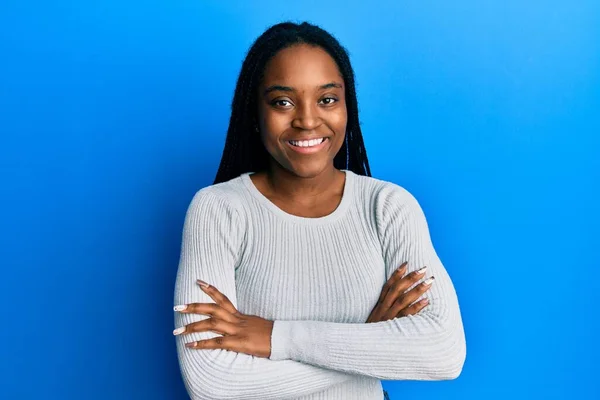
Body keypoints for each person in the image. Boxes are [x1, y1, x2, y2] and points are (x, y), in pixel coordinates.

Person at [172, 21, 466, 400]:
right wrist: (367, 340)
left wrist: (277, 336)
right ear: (255, 112)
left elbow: (443, 353)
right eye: (282, 101)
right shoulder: (219, 210)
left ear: (347, 106)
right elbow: (211, 383)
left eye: (327, 99)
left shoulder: (388, 207)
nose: (307, 120)